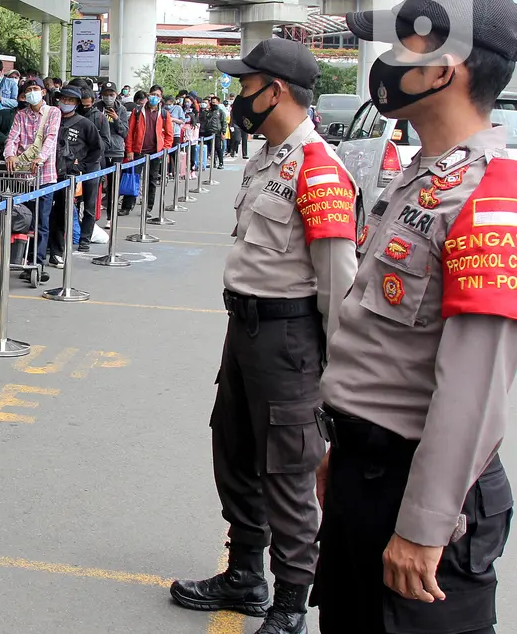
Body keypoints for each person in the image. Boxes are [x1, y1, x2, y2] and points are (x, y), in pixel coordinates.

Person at [311, 0, 517, 633]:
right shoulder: (421, 176)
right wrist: (341, 449)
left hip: (422, 494)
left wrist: (425, 525)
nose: (388, 60)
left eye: (405, 42)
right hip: (363, 472)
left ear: (442, 68)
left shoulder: (485, 197)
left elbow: (474, 382)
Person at [168, 37, 360, 634]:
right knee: (236, 452)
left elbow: (338, 285)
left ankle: (290, 604)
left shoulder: (318, 170)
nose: (237, 97)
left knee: (287, 470)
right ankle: (246, 574)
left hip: (290, 339)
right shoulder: (267, 160)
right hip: (246, 331)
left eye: (245, 87)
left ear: (274, 91)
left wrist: (333, 377)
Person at [3, 78, 61, 279]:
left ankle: (37, 263)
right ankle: (24, 260)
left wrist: (41, 157)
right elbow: (12, 138)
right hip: (23, 177)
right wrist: (9, 154)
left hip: (45, 176)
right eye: (28, 90)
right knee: (25, 220)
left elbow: (51, 138)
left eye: (35, 89)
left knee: (42, 221)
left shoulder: (53, 112)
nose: (32, 93)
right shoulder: (20, 115)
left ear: (43, 92)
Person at [47, 87, 102, 266]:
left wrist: (81, 166)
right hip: (46, 173)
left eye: (71, 101)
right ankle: (40, 250)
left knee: (61, 214)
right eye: (64, 99)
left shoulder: (85, 124)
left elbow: (97, 148)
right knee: (42, 213)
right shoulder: (50, 118)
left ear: (77, 104)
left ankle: (57, 251)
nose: (66, 103)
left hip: (67, 176)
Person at [74, 79, 124, 249]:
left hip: (92, 166)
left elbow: (107, 142)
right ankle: (69, 234)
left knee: (89, 205)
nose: (84, 107)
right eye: (81, 104)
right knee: (68, 203)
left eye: (87, 105)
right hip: (70, 166)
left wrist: (92, 145)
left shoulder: (100, 118)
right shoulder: (69, 116)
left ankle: (84, 240)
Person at [124, 88, 173, 217]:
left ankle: (148, 208)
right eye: (152, 94)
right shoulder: (138, 111)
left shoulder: (164, 113)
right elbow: (130, 132)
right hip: (138, 151)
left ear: (161, 97)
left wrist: (165, 150)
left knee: (152, 180)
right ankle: (127, 206)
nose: (154, 97)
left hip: (155, 152)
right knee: (133, 178)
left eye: (157, 95)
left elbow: (169, 134)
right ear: (148, 95)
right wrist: (129, 149)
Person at [201, 95, 227, 169]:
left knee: (218, 147)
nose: (213, 104)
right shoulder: (208, 111)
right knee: (210, 148)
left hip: (217, 132)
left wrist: (223, 132)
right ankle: (213, 163)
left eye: (215, 102)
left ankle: (221, 163)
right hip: (208, 132)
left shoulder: (220, 112)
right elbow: (203, 119)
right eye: (212, 103)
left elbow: (223, 122)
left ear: (218, 102)